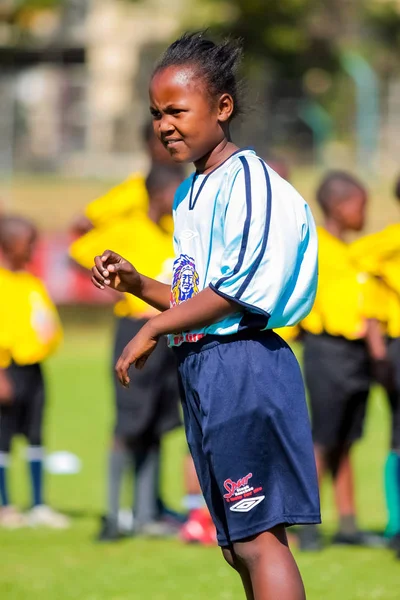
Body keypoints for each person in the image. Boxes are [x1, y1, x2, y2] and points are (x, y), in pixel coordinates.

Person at [92, 32, 320, 599]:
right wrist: (138, 283)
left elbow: (238, 290)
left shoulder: (250, 180)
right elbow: (192, 294)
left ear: (222, 108)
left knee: (260, 538)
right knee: (234, 543)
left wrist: (149, 329)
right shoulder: (192, 192)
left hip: (245, 366)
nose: (164, 124)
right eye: (155, 113)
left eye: (176, 110)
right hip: (205, 368)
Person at [70, 164, 184, 541]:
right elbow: (80, 251)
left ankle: (146, 514)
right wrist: (119, 290)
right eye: (175, 192)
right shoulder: (126, 229)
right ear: (159, 193)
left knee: (155, 424)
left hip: (167, 333)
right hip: (134, 330)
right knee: (128, 424)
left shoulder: (172, 233)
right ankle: (113, 514)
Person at [299, 172, 386, 551]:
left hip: (355, 355)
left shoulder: (351, 250)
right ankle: (306, 525)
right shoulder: (315, 247)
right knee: (322, 439)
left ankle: (348, 523)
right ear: (338, 206)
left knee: (347, 440)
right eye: (358, 206)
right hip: (326, 350)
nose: (363, 214)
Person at [0, 216, 67, 528]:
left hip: (33, 368)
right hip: (6, 369)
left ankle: (39, 503)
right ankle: (5, 505)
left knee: (36, 434)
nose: (33, 250)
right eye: (29, 244)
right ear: (10, 245)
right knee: (3, 438)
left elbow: (48, 322)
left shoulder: (31, 283)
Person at [349, 174, 400, 555]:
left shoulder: (383, 248)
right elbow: (359, 258)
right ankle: (397, 525)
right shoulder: (384, 248)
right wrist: (380, 355)